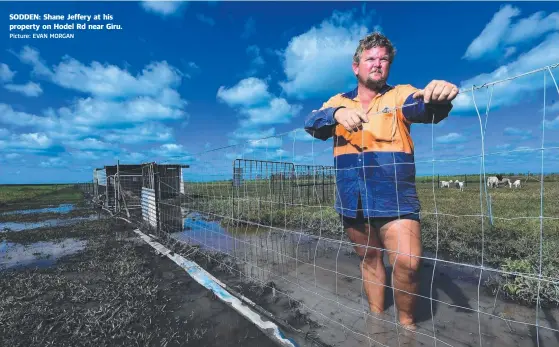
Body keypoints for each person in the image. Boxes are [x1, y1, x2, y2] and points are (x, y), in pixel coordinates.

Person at [304, 32, 458, 331]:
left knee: (409, 264)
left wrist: (437, 96)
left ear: (389, 66)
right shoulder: (337, 101)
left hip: (395, 196)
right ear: (356, 66)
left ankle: (408, 328)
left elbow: (424, 107)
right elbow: (312, 124)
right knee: (370, 259)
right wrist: (336, 114)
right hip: (352, 198)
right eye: (370, 58)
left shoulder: (399, 95)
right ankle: (376, 322)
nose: (377, 64)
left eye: (384, 59)